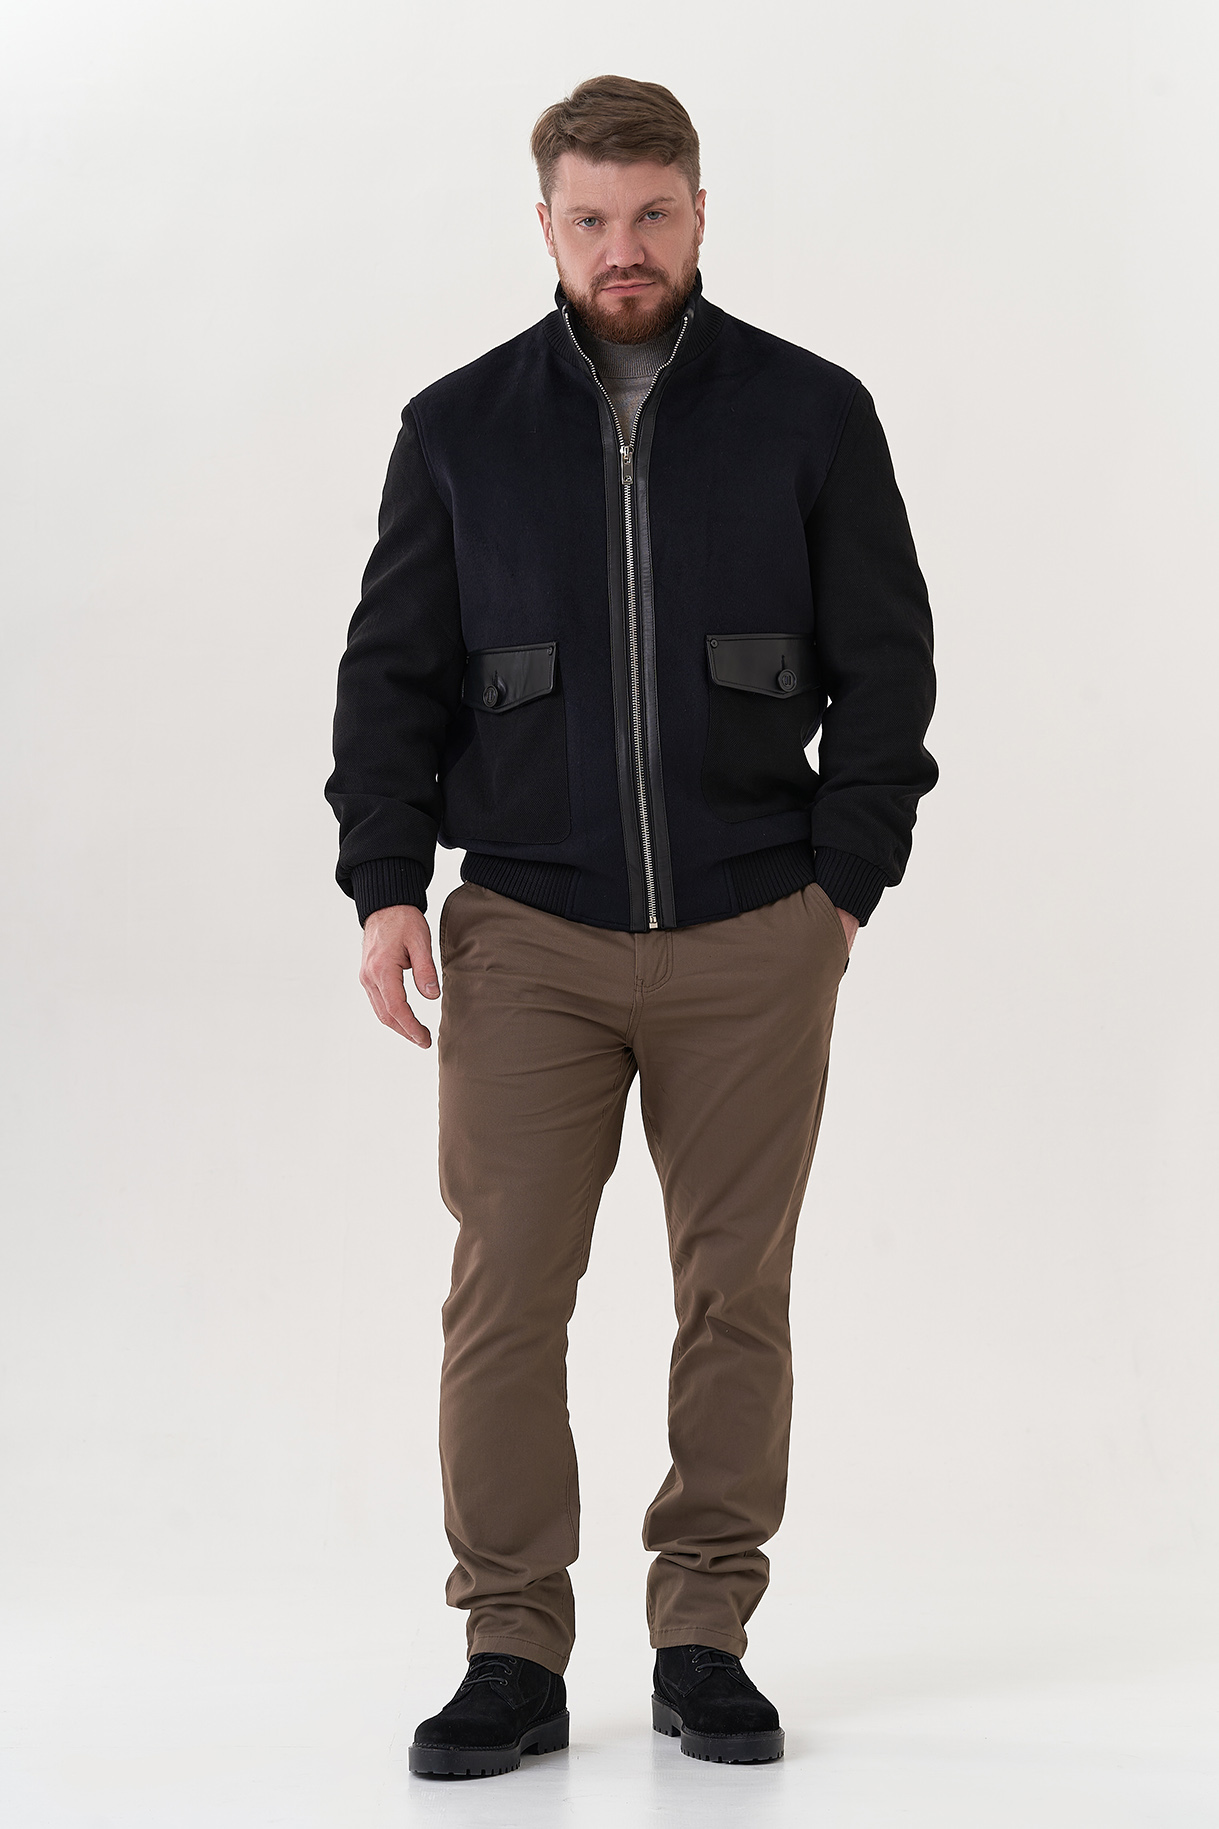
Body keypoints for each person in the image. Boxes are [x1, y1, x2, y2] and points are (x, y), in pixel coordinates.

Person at [326, 74, 937, 1778]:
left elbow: (890, 670)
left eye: (653, 214)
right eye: (591, 218)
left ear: (699, 213)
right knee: (504, 1294)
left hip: (757, 929)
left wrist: (841, 886)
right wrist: (387, 885)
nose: (624, 248)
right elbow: (389, 681)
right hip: (528, 928)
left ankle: (703, 1634)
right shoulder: (458, 429)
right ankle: (512, 1644)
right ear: (545, 225)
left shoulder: (813, 413)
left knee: (735, 1292)